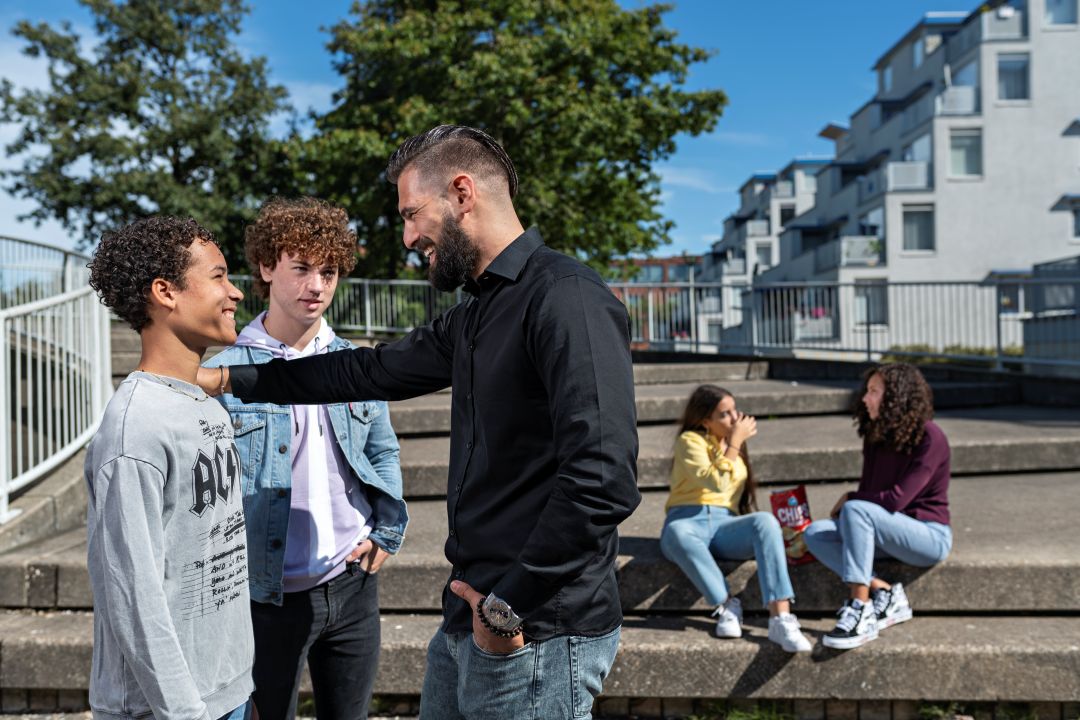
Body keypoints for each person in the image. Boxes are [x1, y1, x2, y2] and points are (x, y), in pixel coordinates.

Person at [198, 125, 640, 720]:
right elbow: (366, 371)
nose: (407, 237)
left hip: (535, 634)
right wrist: (228, 379)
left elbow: (603, 477)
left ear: (461, 193)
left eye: (412, 214)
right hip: (469, 619)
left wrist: (507, 607)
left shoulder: (566, 298)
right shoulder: (479, 311)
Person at [204, 198, 407, 720]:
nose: (316, 285)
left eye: (329, 271)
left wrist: (386, 531)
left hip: (351, 581)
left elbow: (382, 448)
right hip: (267, 597)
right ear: (267, 268)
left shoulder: (354, 364)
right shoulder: (224, 374)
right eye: (301, 268)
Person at [84, 217, 252, 720]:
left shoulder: (205, 404)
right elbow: (133, 595)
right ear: (165, 292)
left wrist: (240, 688)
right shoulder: (135, 427)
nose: (236, 292)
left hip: (227, 693)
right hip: (166, 710)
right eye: (219, 276)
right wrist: (187, 712)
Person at [804, 363, 952, 650]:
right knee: (815, 533)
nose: (865, 398)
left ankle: (860, 609)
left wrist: (850, 499)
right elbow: (870, 496)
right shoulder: (876, 439)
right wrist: (853, 502)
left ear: (897, 397)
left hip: (929, 536)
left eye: (874, 392)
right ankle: (884, 592)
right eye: (867, 391)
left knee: (855, 508)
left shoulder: (930, 437)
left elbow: (896, 499)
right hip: (887, 533)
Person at [660, 385, 812, 653]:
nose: (735, 418)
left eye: (734, 410)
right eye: (724, 414)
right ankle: (727, 603)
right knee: (677, 533)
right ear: (705, 420)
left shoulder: (735, 446)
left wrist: (734, 444)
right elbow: (714, 482)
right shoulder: (690, 441)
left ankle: (780, 617)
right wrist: (735, 444)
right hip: (688, 519)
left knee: (764, 521)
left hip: (724, 525)